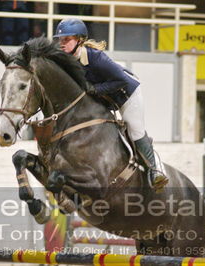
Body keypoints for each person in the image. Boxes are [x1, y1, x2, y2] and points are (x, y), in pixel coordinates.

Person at [53, 18, 168, 191]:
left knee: (135, 130)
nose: (62, 44)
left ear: (80, 40)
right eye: (61, 40)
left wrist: (96, 89)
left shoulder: (96, 57)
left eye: (67, 40)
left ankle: (156, 169)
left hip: (127, 94)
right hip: (107, 99)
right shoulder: (68, 59)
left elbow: (120, 80)